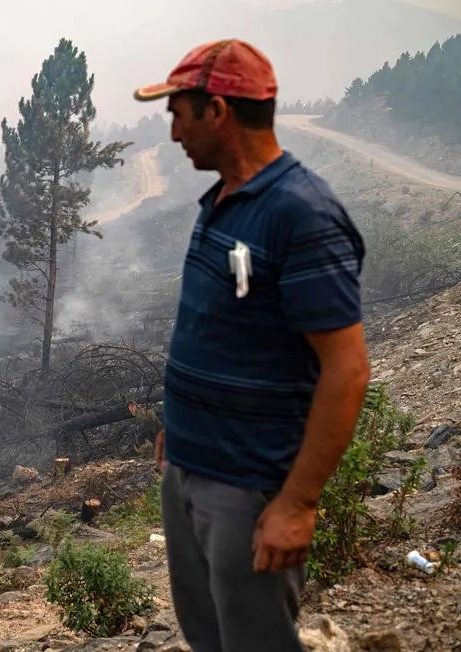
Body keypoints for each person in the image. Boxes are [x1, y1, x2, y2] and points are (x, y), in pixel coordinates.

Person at [133, 39, 371, 651]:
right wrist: (178, 427)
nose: (174, 130)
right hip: (190, 467)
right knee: (208, 635)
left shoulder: (301, 214)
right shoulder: (224, 200)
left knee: (255, 641)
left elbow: (346, 370)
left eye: (180, 112)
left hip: (247, 486)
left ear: (219, 111)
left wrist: (297, 504)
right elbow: (223, 330)